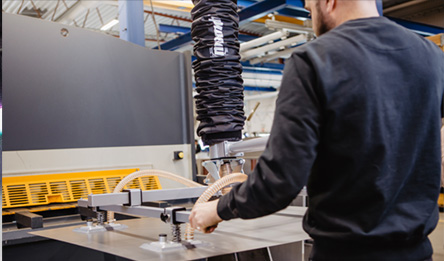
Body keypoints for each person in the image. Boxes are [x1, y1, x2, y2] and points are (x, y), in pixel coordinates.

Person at [189, 0, 444, 260]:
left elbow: (279, 182)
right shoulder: (431, 57)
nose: (312, 20)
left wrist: (216, 209)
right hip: (417, 253)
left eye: (310, 9)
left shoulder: (314, 61)